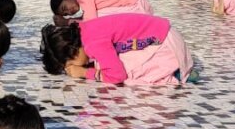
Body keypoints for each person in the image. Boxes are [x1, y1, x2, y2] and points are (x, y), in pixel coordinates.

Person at [40, 13, 193, 86]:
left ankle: (175, 72)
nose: (74, 67)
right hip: (166, 35)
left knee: (127, 74)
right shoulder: (83, 28)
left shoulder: (92, 44)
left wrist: (85, 73)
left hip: (168, 46)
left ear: (72, 53)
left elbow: (117, 76)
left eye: (70, 65)